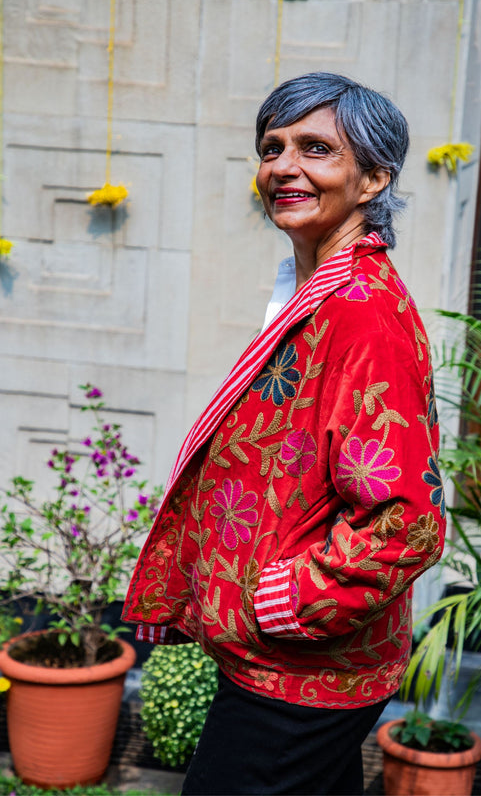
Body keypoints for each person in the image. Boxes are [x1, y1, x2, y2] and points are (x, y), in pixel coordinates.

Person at [122, 71, 446, 795]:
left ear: (371, 180)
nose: (283, 166)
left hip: (300, 669)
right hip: (293, 661)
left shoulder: (360, 310)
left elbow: (406, 522)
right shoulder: (313, 290)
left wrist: (275, 603)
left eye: (315, 149)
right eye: (271, 147)